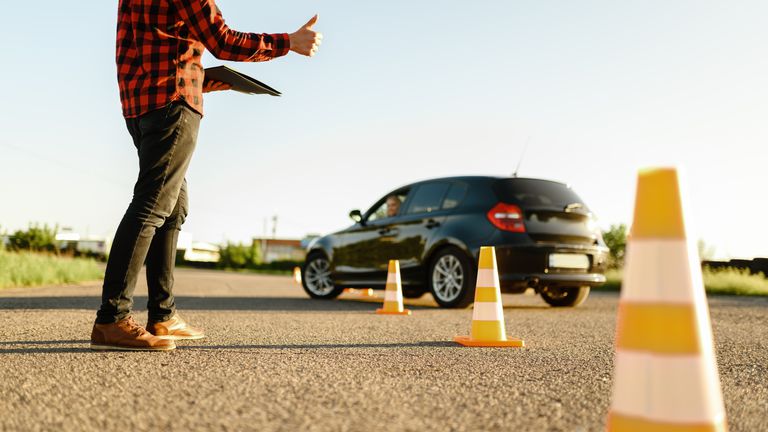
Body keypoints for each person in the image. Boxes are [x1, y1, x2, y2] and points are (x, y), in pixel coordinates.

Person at [90, 0, 322, 351]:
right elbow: (222, 40)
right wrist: (289, 42)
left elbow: (153, 52)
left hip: (140, 107)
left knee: (173, 207)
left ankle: (163, 316)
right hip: (172, 106)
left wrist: (206, 79)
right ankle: (112, 319)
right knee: (153, 205)